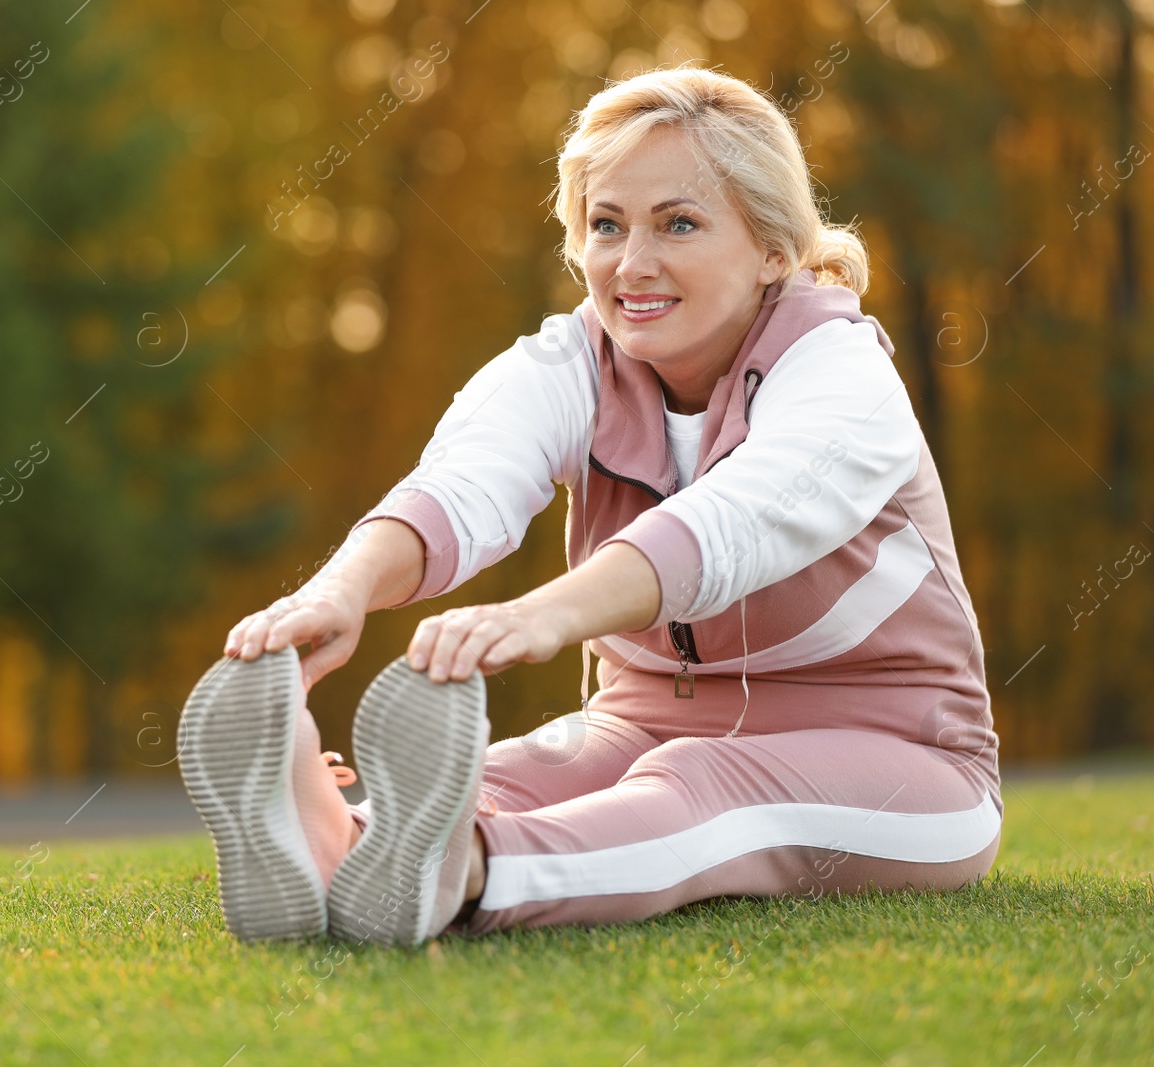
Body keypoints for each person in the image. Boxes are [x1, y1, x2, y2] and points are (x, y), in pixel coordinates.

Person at [177, 65, 1002, 947]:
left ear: (774, 248)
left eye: (678, 223)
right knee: (502, 777)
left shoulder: (842, 371)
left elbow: (732, 525)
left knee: (701, 783)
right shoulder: (570, 360)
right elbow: (464, 482)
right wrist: (339, 592)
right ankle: (335, 843)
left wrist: (540, 617)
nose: (631, 264)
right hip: (635, 721)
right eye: (607, 225)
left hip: (911, 760)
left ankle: (469, 871)